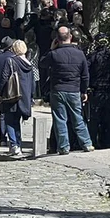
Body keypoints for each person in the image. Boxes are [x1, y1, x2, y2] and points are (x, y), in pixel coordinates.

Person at [43, 26, 94, 155]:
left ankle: (64, 147)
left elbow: (42, 63)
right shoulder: (79, 53)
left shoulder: (54, 54)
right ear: (70, 37)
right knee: (78, 118)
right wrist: (84, 91)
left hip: (58, 90)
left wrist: (51, 49)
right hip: (74, 89)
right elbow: (85, 75)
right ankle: (86, 143)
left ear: (57, 39)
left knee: (60, 119)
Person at [0, 39, 35, 157]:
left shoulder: (11, 61)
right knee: (17, 121)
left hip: (12, 95)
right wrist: (31, 97)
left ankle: (14, 145)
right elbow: (33, 83)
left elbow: (4, 78)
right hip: (24, 97)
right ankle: (18, 144)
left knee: (9, 120)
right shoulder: (29, 64)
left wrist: (0, 94)